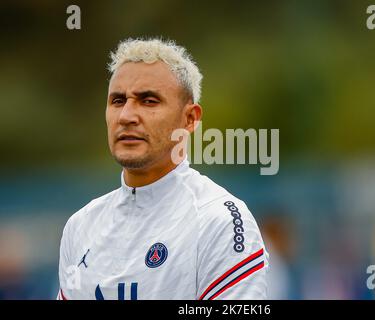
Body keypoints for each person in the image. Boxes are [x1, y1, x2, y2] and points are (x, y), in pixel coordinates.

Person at [57, 37, 268, 300]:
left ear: (190, 119)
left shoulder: (219, 221)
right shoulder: (80, 226)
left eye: (148, 101)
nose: (126, 116)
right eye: (118, 100)